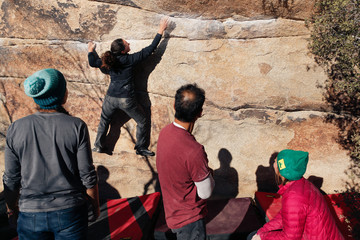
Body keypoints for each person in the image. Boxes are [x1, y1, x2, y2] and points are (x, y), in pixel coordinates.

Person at [3, 69, 100, 239]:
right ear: (62, 95)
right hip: (70, 212)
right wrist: (95, 204)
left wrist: (11, 207)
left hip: (31, 214)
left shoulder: (15, 129)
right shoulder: (76, 126)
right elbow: (87, 174)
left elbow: (11, 178)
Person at [88, 17, 169, 156]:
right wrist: (160, 31)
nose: (129, 43)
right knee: (142, 121)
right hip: (126, 99)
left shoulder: (108, 60)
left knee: (104, 121)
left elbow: (92, 62)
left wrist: (90, 50)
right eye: (127, 44)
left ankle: (98, 146)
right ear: (123, 51)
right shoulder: (129, 60)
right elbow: (149, 50)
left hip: (110, 98)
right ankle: (140, 148)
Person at [156, 84, 215, 240]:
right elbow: (205, 192)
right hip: (190, 221)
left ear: (174, 105)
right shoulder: (194, 151)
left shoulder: (165, 132)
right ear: (200, 113)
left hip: (171, 212)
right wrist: (210, 175)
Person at [249, 149, 344, 240]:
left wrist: (263, 237)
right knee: (254, 235)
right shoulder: (303, 184)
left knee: (251, 237)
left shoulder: (294, 196)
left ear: (281, 169)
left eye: (275, 161)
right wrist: (262, 231)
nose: (273, 164)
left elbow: (290, 237)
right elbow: (284, 215)